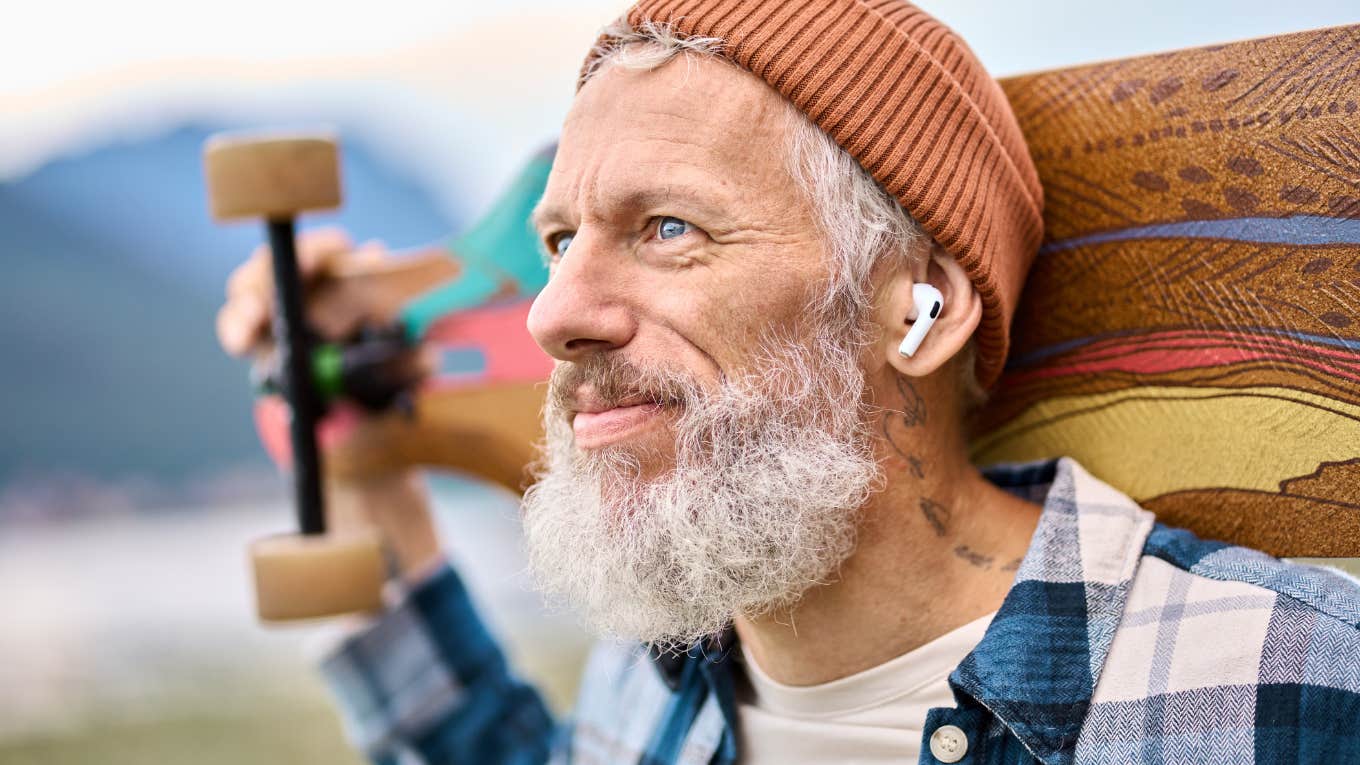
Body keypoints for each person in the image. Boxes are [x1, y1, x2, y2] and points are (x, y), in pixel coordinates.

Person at [216, 2, 1360, 763]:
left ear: (919, 307)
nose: (551, 313)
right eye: (559, 242)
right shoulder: (656, 688)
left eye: (665, 227)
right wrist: (366, 479)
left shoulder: (1298, 689)